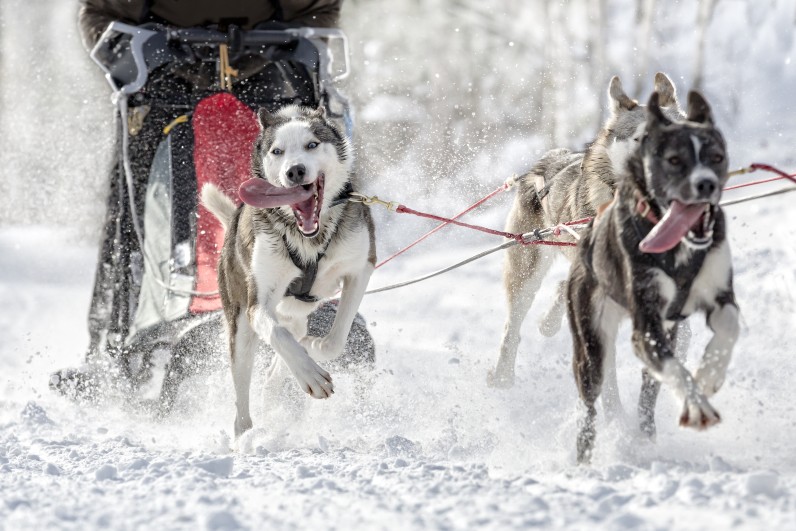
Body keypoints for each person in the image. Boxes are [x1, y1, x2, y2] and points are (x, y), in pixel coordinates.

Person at [51, 0, 375, 405]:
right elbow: (100, 13)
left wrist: (289, 44)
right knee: (135, 194)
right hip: (166, 71)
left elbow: (318, 8)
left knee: (305, 167)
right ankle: (111, 345)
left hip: (268, 62)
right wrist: (140, 53)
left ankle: (311, 296)